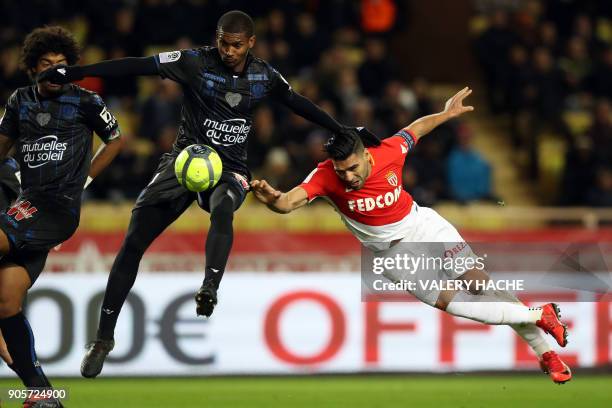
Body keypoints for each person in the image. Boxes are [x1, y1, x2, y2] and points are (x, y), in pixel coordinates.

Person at [38, 10, 367, 378]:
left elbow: (298, 103)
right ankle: (103, 339)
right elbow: (138, 66)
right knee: (133, 242)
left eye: (236, 45)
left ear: (251, 44)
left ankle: (209, 286)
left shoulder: (265, 76)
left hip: (230, 169)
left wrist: (342, 128)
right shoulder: (194, 62)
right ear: (217, 38)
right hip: (182, 162)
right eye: (223, 42)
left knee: (223, 207)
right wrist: (77, 73)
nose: (228, 50)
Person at [250, 87, 572, 384]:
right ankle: (540, 321)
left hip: (424, 225)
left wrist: (445, 114)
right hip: (394, 255)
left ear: (366, 155)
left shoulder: (389, 151)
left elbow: (416, 129)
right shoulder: (325, 176)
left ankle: (546, 351)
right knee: (454, 304)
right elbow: (290, 201)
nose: (347, 177)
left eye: (352, 168)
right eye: (341, 171)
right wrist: (273, 199)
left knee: (482, 286)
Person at [0, 26, 123, 407]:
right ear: (32, 68)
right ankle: (43, 394)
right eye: (46, 65)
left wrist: (86, 177)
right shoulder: (19, 101)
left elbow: (116, 140)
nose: (55, 72)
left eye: (62, 66)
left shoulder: (86, 101)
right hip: (27, 204)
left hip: (57, 207)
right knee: (6, 301)